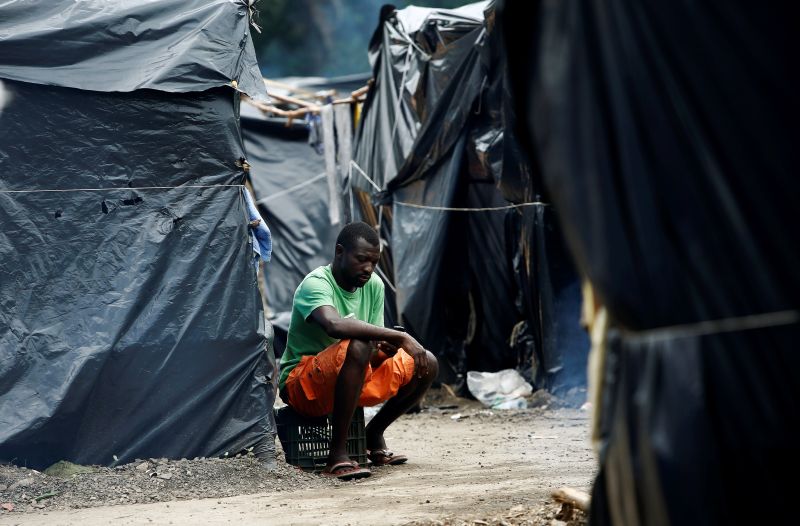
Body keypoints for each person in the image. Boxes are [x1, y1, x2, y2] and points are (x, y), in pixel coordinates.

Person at [278, 221, 438, 480]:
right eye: (362, 259)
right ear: (339, 252)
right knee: (358, 342)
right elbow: (334, 325)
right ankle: (337, 456)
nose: (368, 268)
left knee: (426, 362)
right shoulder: (316, 283)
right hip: (301, 385)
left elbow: (368, 354)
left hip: (349, 376)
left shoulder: (373, 285)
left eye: (374, 262)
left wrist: (385, 351)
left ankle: (373, 435)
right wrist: (400, 335)